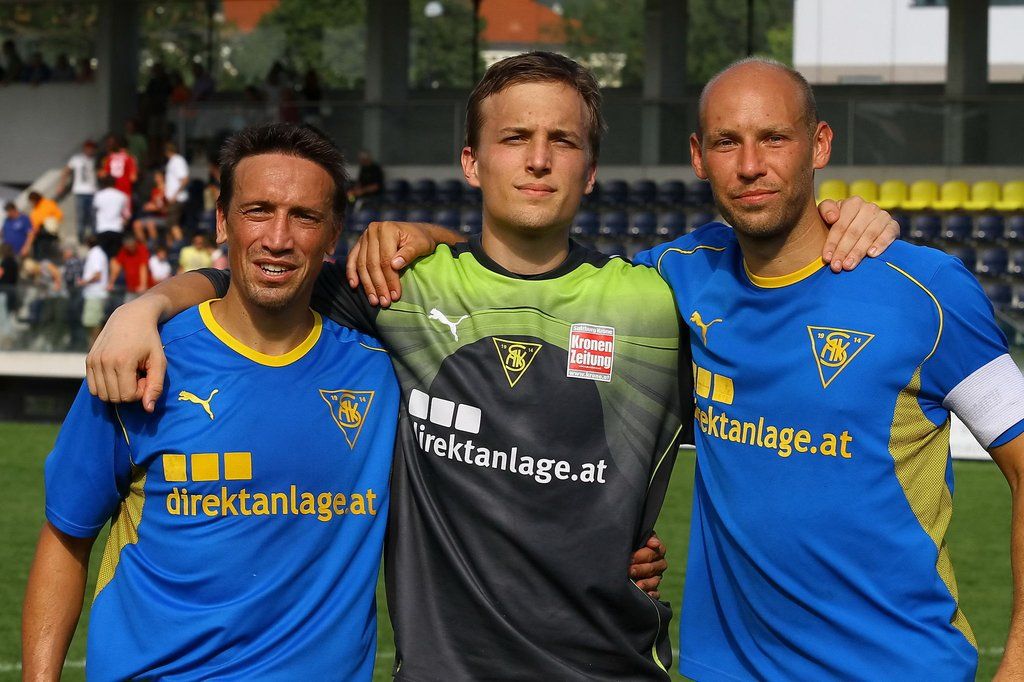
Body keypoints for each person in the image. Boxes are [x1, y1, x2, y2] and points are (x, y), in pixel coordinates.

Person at [85, 53, 893, 680]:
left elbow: (775, 277)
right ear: (472, 163)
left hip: (612, 667)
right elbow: (260, 272)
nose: (537, 161)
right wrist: (144, 307)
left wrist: (850, 218)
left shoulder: (659, 300)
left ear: (590, 170)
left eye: (562, 142)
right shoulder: (394, 289)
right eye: (515, 139)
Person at [631, 58, 1024, 681]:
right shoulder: (674, 275)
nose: (750, 165)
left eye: (774, 138)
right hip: (725, 669)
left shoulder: (927, 292)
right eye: (727, 142)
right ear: (699, 157)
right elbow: (539, 286)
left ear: (819, 145)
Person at [22, 123, 400, 680]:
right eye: (257, 211)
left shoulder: (379, 373)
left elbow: (502, 265)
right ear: (222, 220)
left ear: (332, 235)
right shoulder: (142, 360)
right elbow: (65, 536)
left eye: (304, 216)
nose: (278, 238)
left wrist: (423, 233)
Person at [60, 139, 99, 241]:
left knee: (93, 216)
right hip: (80, 191)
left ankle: (93, 237)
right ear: (84, 148)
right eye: (88, 148)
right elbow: (66, 171)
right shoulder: (76, 159)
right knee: (81, 216)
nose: (90, 150)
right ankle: (80, 237)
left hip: (92, 191)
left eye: (92, 148)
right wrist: (62, 185)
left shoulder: (95, 160)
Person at [77, 234, 108, 347]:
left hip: (95, 293)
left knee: (94, 322)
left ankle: (95, 347)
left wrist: (84, 282)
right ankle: (94, 346)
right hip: (94, 293)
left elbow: (97, 275)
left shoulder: (95, 254)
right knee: (92, 322)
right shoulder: (98, 253)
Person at [92, 176, 130, 258]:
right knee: (114, 257)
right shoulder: (122, 196)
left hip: (102, 228)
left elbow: (94, 211)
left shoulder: (98, 195)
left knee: (103, 256)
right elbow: (127, 215)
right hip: (117, 229)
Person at [109, 233, 150, 303]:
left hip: (144, 289)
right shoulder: (124, 251)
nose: (131, 249)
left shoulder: (142, 249)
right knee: (126, 306)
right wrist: (111, 283)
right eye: (128, 247)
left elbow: (143, 267)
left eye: (132, 246)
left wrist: (143, 285)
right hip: (131, 289)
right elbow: (117, 267)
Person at [99, 134, 138, 205]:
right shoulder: (130, 158)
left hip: (112, 191)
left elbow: (102, 174)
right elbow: (133, 178)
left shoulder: (110, 158)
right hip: (125, 191)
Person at [25, 191, 63, 261]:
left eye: (32, 201)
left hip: (49, 233)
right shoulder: (34, 209)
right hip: (39, 234)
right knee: (39, 253)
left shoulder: (48, 204)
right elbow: (34, 223)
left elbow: (59, 215)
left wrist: (48, 222)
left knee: (49, 252)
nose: (31, 203)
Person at [163, 141, 189, 236]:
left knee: (172, 224)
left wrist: (175, 195)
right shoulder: (173, 161)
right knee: (170, 225)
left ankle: (179, 242)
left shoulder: (177, 161)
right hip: (173, 199)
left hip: (177, 199)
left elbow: (184, 179)